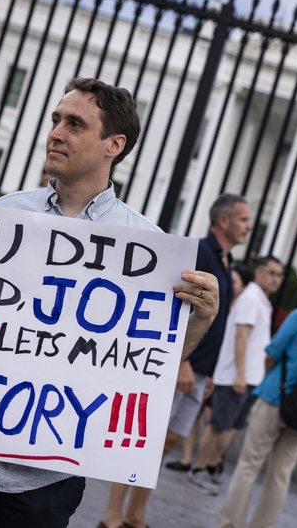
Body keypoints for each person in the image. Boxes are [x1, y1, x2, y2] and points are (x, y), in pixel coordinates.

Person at [0, 77, 219, 528]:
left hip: (43, 476)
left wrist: (200, 321)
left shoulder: (149, 249)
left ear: (114, 144)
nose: (55, 132)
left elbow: (147, 364)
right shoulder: (5, 211)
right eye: (56, 119)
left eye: (74, 124)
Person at [99, 193, 251, 528]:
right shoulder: (199, 252)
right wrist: (181, 362)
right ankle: (112, 516)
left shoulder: (225, 261)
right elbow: (176, 304)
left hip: (201, 371)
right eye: (243, 220)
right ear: (223, 221)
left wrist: (208, 372)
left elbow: (215, 320)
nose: (249, 226)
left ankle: (136, 515)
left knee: (166, 443)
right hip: (182, 365)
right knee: (144, 442)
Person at [216, 266, 297, 528]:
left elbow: (271, 354)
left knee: (249, 465)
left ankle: (230, 524)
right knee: (281, 474)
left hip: (275, 399)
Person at [187, 255, 284, 495]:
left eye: (279, 275)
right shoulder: (251, 299)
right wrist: (240, 374)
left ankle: (209, 468)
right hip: (236, 376)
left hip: (249, 377)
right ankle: (199, 469)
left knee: (229, 427)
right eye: (271, 273)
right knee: (219, 425)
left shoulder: (261, 300)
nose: (276, 279)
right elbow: (241, 336)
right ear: (259, 272)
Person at [167, 262, 252, 473]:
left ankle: (195, 461)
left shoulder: (231, 303)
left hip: (208, 370)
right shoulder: (206, 256)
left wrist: (213, 371)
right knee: (166, 433)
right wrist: (183, 362)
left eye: (234, 283)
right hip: (189, 366)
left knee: (183, 429)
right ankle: (191, 460)